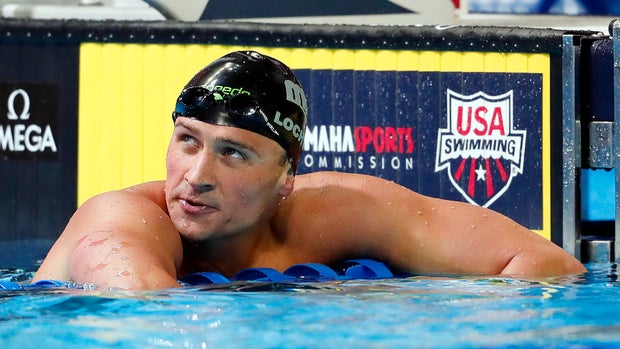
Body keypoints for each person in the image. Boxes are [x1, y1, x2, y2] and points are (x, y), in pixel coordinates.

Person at [32, 50, 586, 290]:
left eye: (234, 153)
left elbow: (547, 262)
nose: (196, 174)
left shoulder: (333, 212)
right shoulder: (123, 222)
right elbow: (144, 323)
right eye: (187, 141)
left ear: (286, 175)